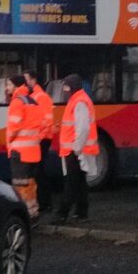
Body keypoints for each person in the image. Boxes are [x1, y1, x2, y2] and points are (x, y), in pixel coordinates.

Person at [53, 74, 99, 225]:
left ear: (72, 86)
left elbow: (82, 128)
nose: (64, 89)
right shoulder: (79, 100)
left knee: (71, 183)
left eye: (66, 86)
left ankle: (62, 214)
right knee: (79, 183)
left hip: (75, 150)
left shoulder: (79, 102)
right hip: (77, 149)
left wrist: (77, 148)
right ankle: (81, 213)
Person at [5, 76, 42, 225]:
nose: (6, 88)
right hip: (33, 151)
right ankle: (33, 213)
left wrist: (10, 141)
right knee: (30, 186)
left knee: (20, 187)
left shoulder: (17, 102)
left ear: (15, 86)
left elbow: (14, 127)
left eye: (8, 84)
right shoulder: (32, 101)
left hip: (19, 152)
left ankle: (23, 218)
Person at [24, 70, 55, 213]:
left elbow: (47, 121)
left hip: (42, 139)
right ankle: (42, 201)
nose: (26, 83)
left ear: (33, 80)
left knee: (38, 171)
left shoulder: (40, 97)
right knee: (37, 171)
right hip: (38, 138)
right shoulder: (34, 96)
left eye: (27, 80)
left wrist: (38, 138)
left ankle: (45, 202)